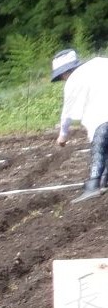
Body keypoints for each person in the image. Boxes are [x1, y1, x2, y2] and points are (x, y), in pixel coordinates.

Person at [51, 47, 108, 201]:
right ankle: (104, 180)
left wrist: (62, 136)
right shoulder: (100, 63)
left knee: (99, 148)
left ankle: (94, 185)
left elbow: (66, 114)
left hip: (102, 120)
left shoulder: (73, 81)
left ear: (64, 72)